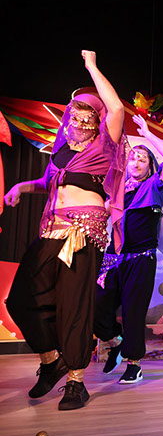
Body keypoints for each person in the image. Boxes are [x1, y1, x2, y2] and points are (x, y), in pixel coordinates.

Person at [4, 50, 125, 410]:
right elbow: (49, 183)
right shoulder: (61, 150)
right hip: (51, 230)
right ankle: (51, 361)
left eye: (89, 112)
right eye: (76, 111)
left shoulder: (104, 146)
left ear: (97, 119)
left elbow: (117, 109)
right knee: (21, 299)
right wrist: (21, 187)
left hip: (83, 232)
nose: (81, 117)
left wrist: (91, 66)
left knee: (74, 306)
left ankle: (76, 381)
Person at [93, 114, 163, 383]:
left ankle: (134, 364)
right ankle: (115, 343)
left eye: (143, 159)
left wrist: (148, 134)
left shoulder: (155, 186)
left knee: (133, 312)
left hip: (141, 259)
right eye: (133, 158)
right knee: (95, 305)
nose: (136, 162)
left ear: (150, 166)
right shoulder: (115, 191)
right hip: (113, 258)